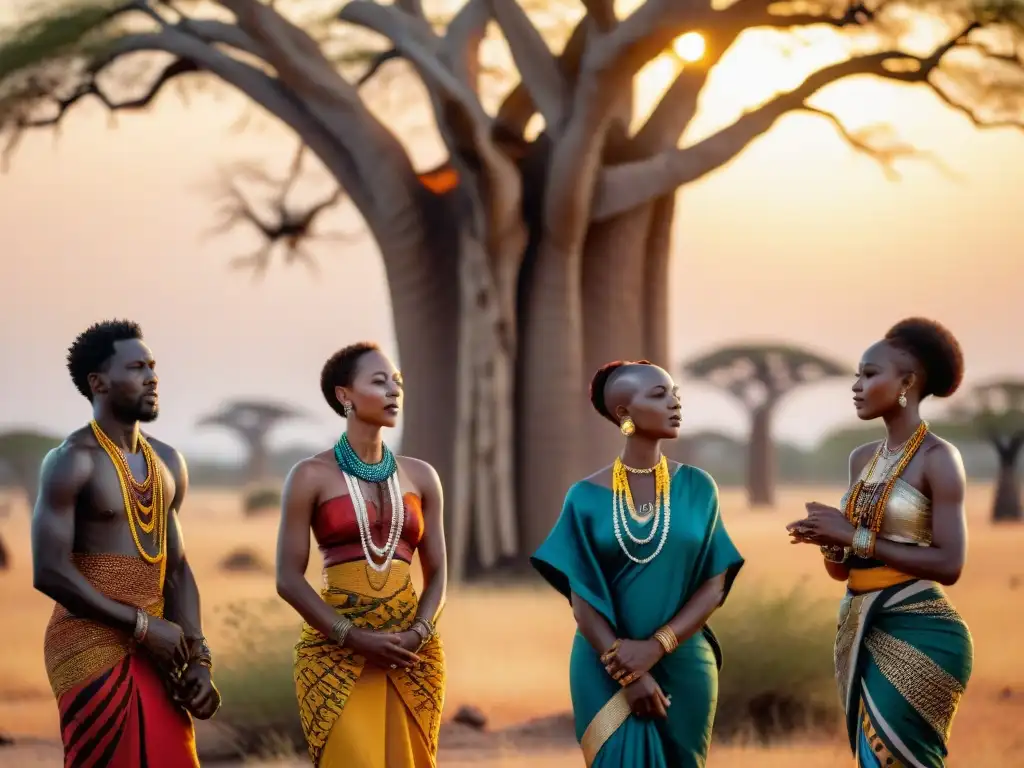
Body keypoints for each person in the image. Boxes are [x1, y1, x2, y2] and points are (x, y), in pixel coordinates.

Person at [530, 360, 744, 767]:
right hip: (604, 665)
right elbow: (582, 599)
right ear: (624, 414)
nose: (675, 402)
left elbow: (713, 585)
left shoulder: (698, 488)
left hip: (683, 664)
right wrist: (628, 671)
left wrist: (656, 647)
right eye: (659, 394)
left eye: (675, 393)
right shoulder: (584, 498)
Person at [31, 319, 220, 768]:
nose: (152, 377)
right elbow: (49, 571)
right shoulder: (70, 461)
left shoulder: (169, 461)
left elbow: (176, 570)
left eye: (153, 366)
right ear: (98, 382)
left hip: (160, 643)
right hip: (87, 642)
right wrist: (141, 625)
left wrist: (198, 657)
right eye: (137, 367)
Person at [787, 317, 973, 767]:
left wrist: (854, 534)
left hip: (921, 630)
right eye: (857, 374)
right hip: (860, 624)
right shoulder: (862, 459)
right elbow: (845, 570)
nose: (856, 385)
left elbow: (950, 563)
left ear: (907, 382)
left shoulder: (938, 459)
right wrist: (830, 540)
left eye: (870, 374)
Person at [276, 342, 446, 768]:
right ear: (344, 395)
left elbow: (439, 572)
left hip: (411, 657)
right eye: (379, 381)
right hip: (335, 654)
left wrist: (418, 634)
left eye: (398, 382)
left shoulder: (422, 476)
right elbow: (288, 579)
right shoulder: (310, 475)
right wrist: (353, 638)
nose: (394, 391)